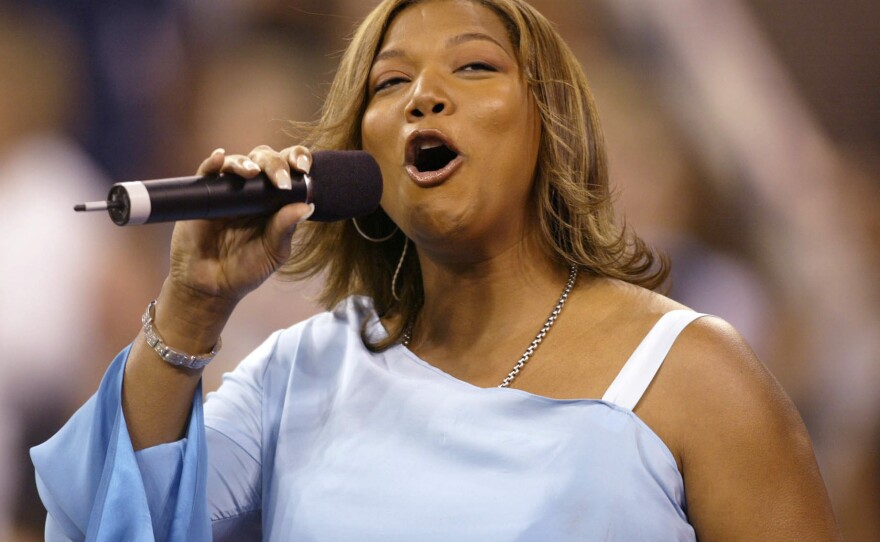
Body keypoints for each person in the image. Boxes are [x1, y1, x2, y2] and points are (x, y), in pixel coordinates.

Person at [31, 0, 842, 540]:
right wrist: (192, 306)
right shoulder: (302, 371)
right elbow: (105, 515)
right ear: (362, 155)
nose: (424, 95)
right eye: (391, 82)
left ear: (550, 124)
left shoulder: (695, 374)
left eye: (475, 67)